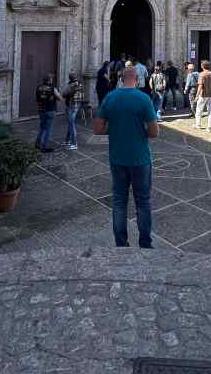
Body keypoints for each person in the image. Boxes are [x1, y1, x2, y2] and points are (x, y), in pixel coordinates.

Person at [94, 65, 158, 248]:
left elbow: (98, 129)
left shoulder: (110, 98)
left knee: (119, 202)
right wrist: (139, 129)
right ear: (137, 79)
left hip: (117, 158)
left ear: (121, 78)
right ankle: (145, 244)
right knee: (143, 202)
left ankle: (121, 244)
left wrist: (115, 129)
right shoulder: (144, 99)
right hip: (140, 159)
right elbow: (154, 132)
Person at [35, 74, 61, 153]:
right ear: (49, 80)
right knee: (48, 129)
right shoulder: (53, 88)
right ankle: (44, 146)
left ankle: (38, 144)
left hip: (41, 110)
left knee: (42, 127)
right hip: (50, 110)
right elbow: (60, 98)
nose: (52, 80)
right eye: (51, 79)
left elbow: (37, 99)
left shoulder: (38, 87)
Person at [63, 72, 83, 150]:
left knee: (71, 124)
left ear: (69, 78)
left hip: (71, 106)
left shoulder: (70, 85)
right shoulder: (80, 84)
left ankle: (74, 143)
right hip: (77, 105)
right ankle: (67, 140)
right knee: (70, 123)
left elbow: (64, 94)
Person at [195, 59, 211, 130]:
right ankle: (209, 127)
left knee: (199, 110)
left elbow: (200, 85)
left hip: (203, 95)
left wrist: (197, 96)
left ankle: (198, 124)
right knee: (210, 111)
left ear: (202, 66)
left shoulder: (201, 74)